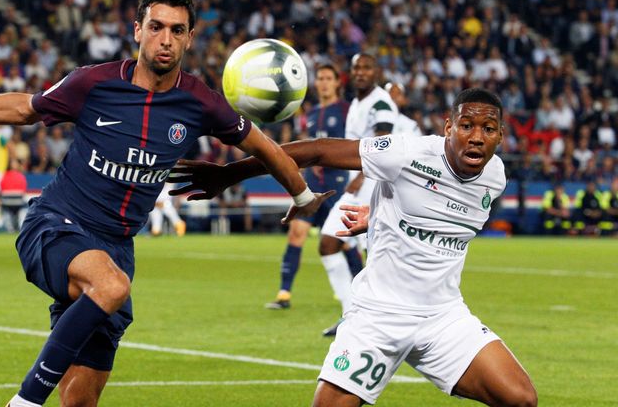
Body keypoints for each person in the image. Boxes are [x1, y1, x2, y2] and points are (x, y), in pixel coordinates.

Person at [0, 0, 329, 407]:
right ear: (137, 30)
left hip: (116, 246)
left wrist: (304, 194)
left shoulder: (201, 103)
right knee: (110, 287)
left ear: (190, 38)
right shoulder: (94, 83)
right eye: (157, 27)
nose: (166, 39)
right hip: (56, 224)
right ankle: (25, 401)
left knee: (81, 400)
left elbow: (265, 148)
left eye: (177, 31)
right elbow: (25, 109)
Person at [170, 88, 538, 407]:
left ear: (501, 136)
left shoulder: (495, 176)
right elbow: (316, 150)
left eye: (488, 129)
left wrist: (378, 216)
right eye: (466, 126)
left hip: (442, 318)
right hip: (378, 316)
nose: (476, 137)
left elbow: (440, 219)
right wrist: (229, 173)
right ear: (448, 128)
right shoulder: (407, 153)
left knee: (521, 398)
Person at [315, 53, 398, 336]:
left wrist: (362, 175)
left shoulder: (380, 102)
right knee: (328, 243)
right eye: (357, 68)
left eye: (367, 68)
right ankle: (351, 313)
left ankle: (380, 318)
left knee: (375, 256)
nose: (361, 72)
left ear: (376, 72)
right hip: (357, 188)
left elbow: (383, 145)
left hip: (374, 188)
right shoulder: (356, 104)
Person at [265, 63, 352, 310]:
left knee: (343, 242)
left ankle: (360, 293)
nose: (323, 82)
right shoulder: (310, 114)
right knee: (296, 233)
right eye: (320, 78)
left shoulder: (346, 111)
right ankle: (284, 293)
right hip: (312, 186)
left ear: (337, 83)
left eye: (328, 78)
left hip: (339, 185)